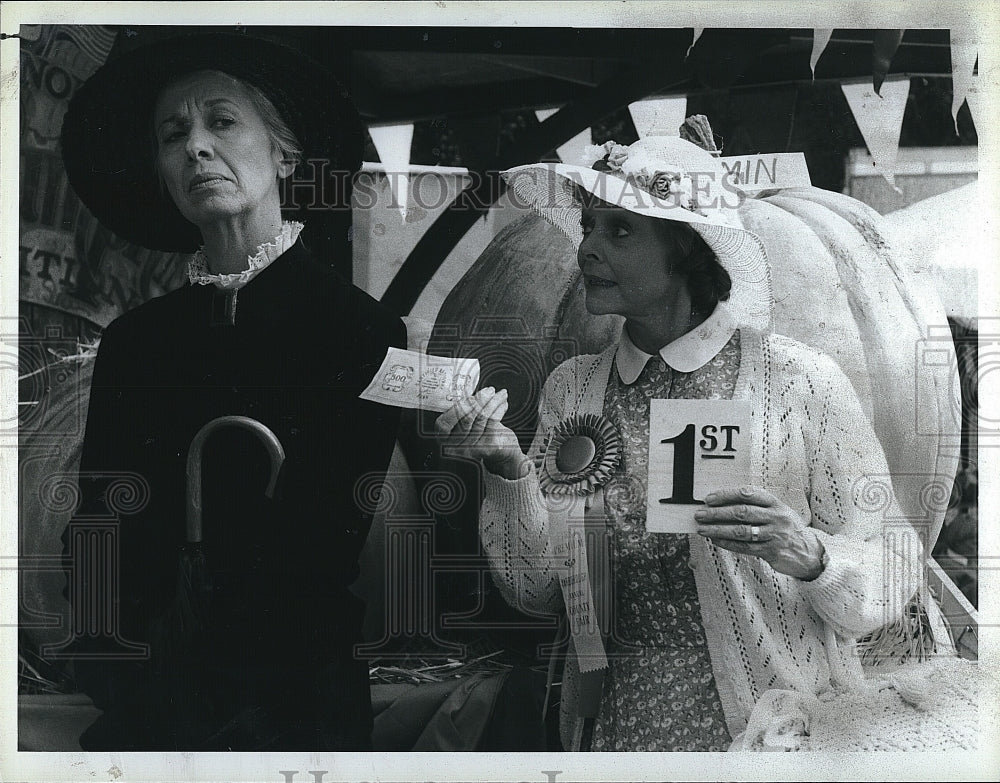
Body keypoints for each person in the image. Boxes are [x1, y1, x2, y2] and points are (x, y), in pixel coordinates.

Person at [435, 135, 974, 751]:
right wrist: (508, 472)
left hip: (769, 736)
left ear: (686, 248)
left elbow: (896, 564)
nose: (585, 250)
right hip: (613, 729)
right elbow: (534, 590)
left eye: (619, 231)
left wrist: (810, 554)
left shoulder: (799, 381)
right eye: (588, 226)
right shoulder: (573, 388)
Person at [58, 30, 405, 750]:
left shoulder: (361, 333)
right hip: (153, 709)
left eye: (221, 121)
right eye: (172, 133)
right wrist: (113, 664)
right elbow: (97, 527)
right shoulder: (137, 342)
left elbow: (322, 543)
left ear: (283, 149)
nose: (195, 148)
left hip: (294, 713)